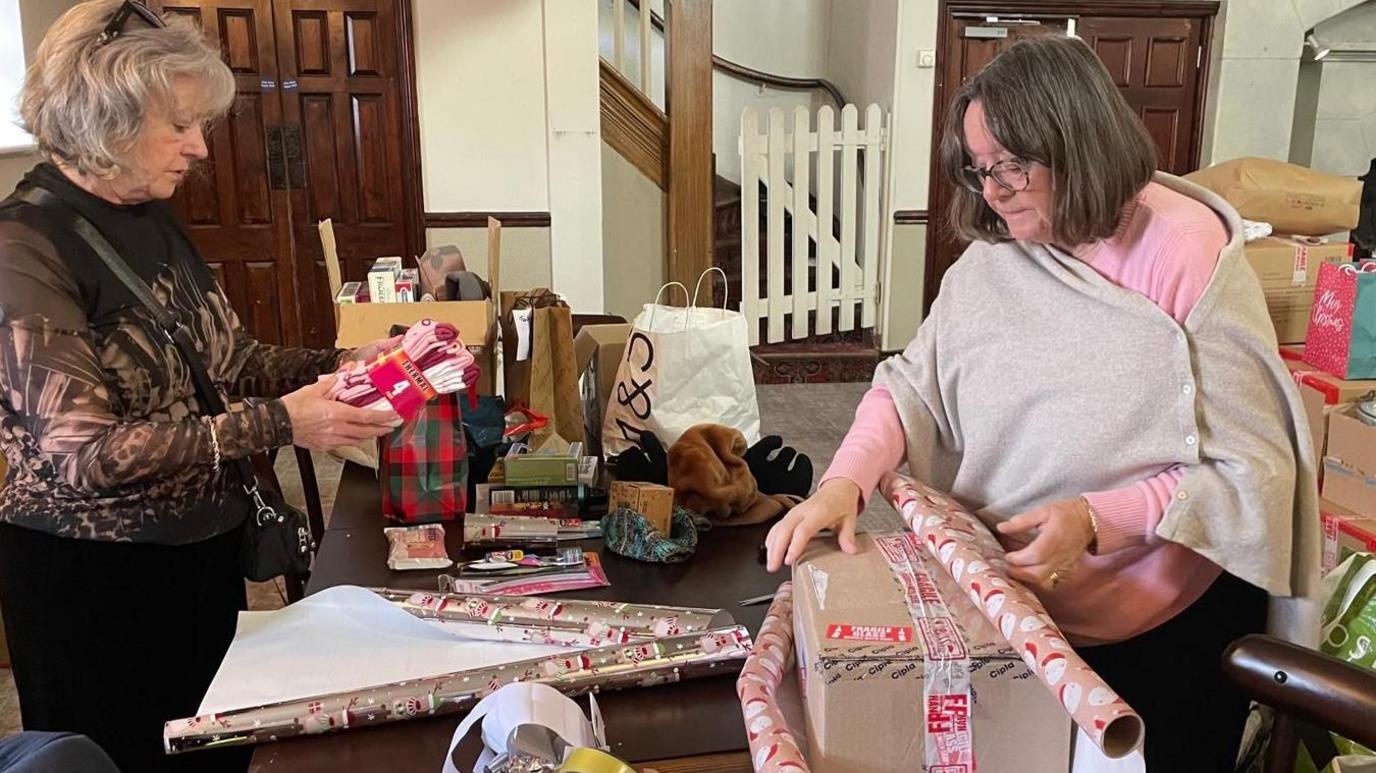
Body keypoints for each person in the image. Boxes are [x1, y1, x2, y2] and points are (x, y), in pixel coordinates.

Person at [765, 36, 1317, 772]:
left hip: (1161, 626)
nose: (993, 190)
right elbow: (910, 384)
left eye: (1014, 164)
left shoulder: (1186, 253)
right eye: (981, 168)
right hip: (1012, 610)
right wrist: (845, 482)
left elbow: (1249, 471)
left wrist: (1095, 520)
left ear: (1078, 139)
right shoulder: (993, 257)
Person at [0, 2, 403, 770]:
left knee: (215, 752)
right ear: (104, 118)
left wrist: (335, 365)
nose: (201, 147)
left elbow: (229, 358)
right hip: (95, 587)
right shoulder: (24, 246)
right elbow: (85, 454)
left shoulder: (150, 213)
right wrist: (280, 423)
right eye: (180, 123)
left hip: (198, 557)